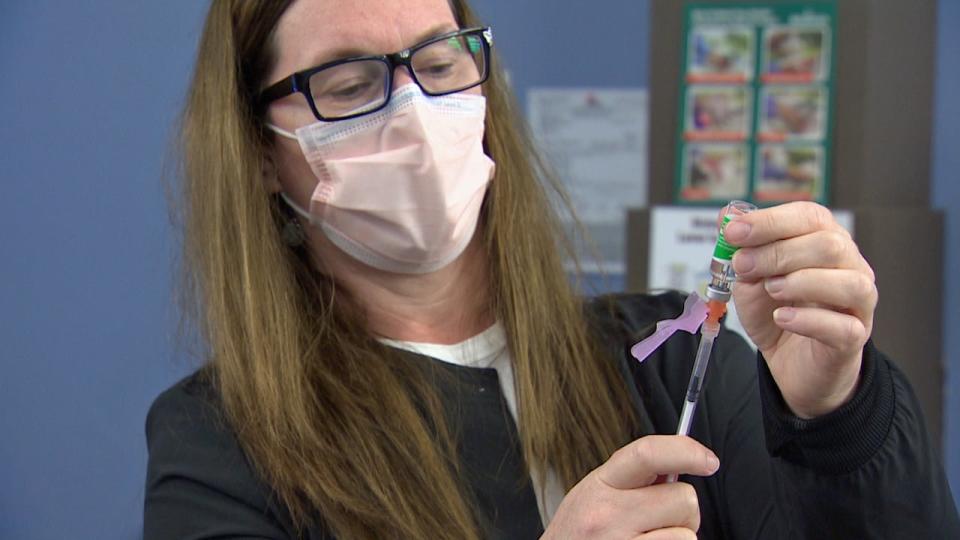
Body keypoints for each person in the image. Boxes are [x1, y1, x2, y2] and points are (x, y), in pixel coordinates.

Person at [143, 1, 960, 538]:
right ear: (257, 150)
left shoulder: (667, 358)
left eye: (439, 64)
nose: (417, 117)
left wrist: (834, 416)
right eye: (349, 84)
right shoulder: (225, 444)